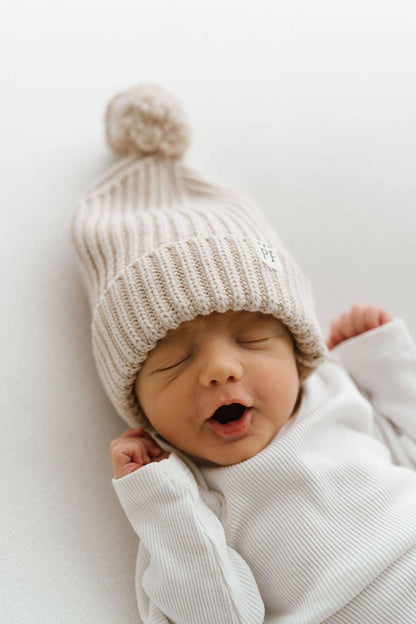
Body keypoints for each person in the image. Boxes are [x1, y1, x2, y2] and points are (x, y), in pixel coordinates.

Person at [71, 83, 416, 623]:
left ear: (299, 352)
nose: (219, 369)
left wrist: (385, 366)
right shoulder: (186, 495)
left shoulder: (336, 393)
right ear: (137, 403)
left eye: (252, 338)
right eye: (173, 361)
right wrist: (162, 505)